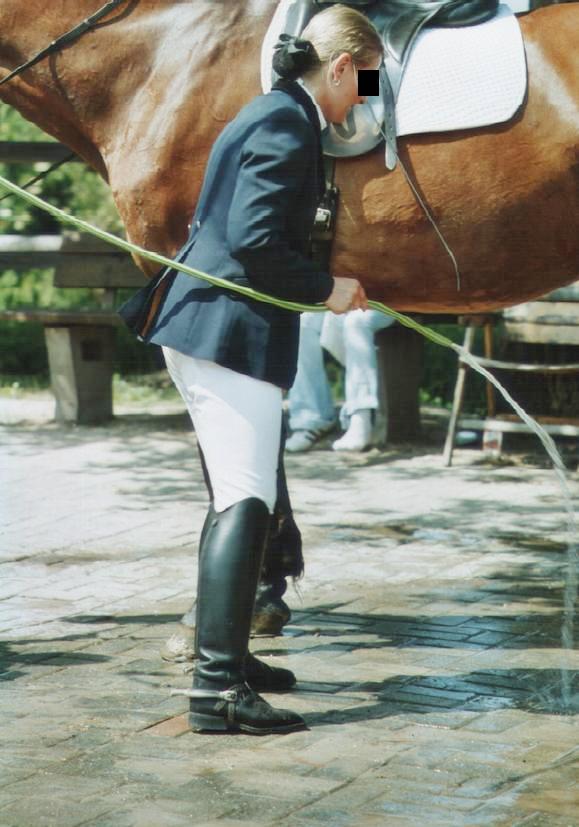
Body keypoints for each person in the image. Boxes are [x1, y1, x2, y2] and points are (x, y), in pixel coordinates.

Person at [118, 5, 383, 735]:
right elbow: (254, 239)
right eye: (364, 81)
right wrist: (324, 289)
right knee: (244, 501)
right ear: (339, 67)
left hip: (212, 329)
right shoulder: (286, 123)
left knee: (243, 495)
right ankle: (214, 693)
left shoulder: (271, 111)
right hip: (225, 332)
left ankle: (227, 658)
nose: (362, 96)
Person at [287, 309, 395, 452]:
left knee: (356, 322)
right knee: (303, 322)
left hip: (392, 298)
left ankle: (362, 418)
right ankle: (311, 420)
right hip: (348, 299)